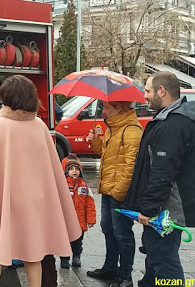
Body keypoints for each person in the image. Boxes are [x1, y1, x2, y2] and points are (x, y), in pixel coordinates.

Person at [0, 75, 82, 287]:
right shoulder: (40, 126)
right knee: (33, 254)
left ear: (5, 99)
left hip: (4, 205)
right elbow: (51, 170)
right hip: (34, 205)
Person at [123, 71, 195, 287]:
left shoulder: (173, 125)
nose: (144, 96)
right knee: (156, 258)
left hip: (165, 210)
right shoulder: (172, 119)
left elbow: (163, 173)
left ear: (161, 91)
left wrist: (148, 210)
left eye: (147, 91)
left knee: (165, 262)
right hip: (166, 207)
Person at [85, 100, 142, 287]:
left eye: (106, 107)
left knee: (122, 234)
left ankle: (125, 276)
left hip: (119, 193)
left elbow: (131, 167)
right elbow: (105, 154)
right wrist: (95, 141)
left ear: (118, 107)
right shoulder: (112, 128)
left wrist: (118, 192)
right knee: (108, 229)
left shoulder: (131, 131)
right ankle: (110, 268)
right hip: (109, 190)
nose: (102, 111)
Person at [59, 153, 96, 269]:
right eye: (71, 169)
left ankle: (76, 256)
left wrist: (91, 220)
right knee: (64, 241)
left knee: (77, 242)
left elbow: (90, 204)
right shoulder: (62, 186)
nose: (74, 171)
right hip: (65, 221)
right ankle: (64, 258)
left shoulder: (84, 187)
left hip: (80, 221)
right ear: (66, 171)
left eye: (77, 169)